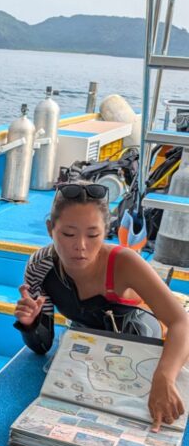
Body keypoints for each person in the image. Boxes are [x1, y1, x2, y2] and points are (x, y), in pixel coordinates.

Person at [14, 181, 189, 430]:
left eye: (93, 235)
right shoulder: (40, 267)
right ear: (50, 229)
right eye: (68, 234)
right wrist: (30, 324)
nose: (80, 245)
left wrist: (165, 377)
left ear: (106, 231)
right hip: (90, 352)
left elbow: (181, 322)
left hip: (149, 346)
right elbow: (42, 346)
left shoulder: (125, 263)